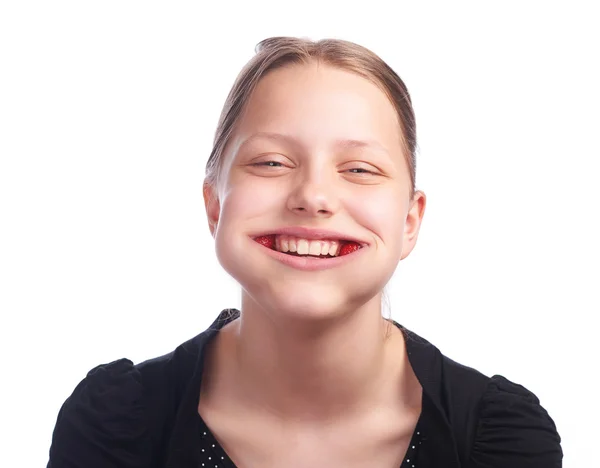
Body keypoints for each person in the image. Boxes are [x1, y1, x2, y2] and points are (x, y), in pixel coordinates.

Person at [47, 36, 563, 467]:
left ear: (410, 221)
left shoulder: (500, 441)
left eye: (359, 169)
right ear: (214, 205)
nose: (313, 196)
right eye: (271, 163)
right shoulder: (113, 428)